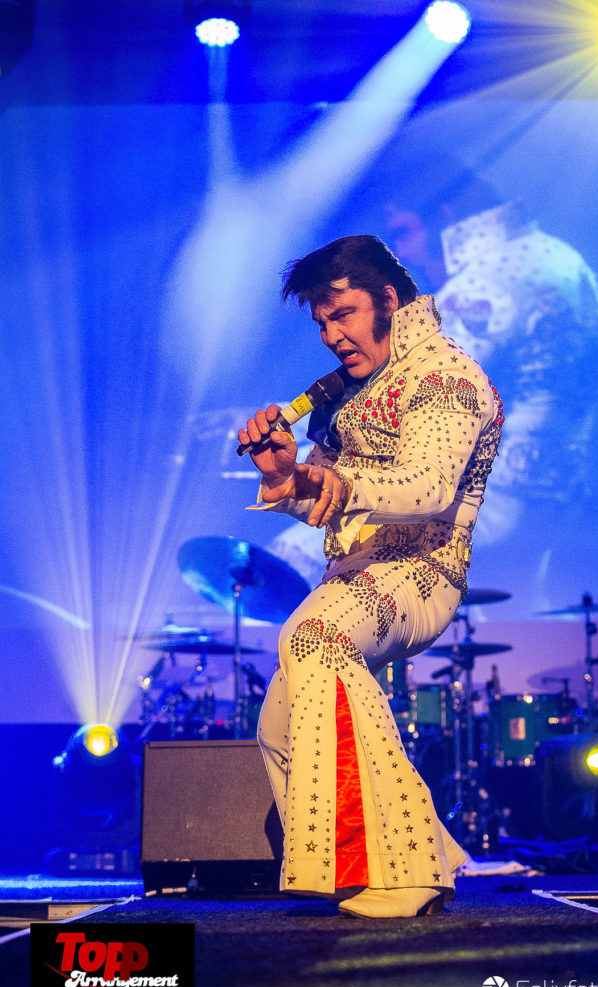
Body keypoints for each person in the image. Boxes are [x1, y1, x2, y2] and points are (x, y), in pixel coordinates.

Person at [238, 235, 504, 918]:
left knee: (312, 638)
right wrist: (286, 475)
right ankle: (431, 850)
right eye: (321, 323)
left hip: (422, 568)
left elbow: (429, 487)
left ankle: (406, 868)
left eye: (344, 314)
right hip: (357, 571)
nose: (332, 336)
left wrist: (337, 481)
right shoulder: (352, 392)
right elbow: (327, 502)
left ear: (388, 299)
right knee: (280, 730)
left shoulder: (446, 376)